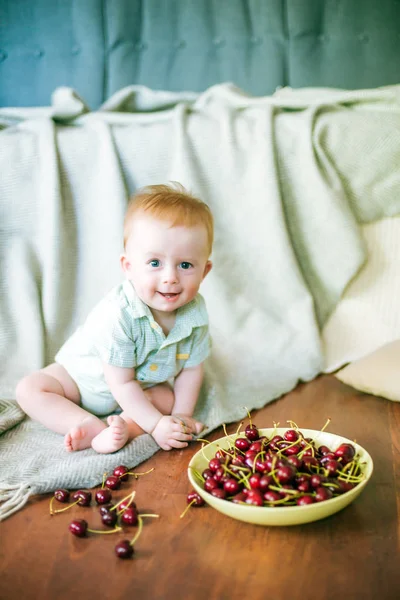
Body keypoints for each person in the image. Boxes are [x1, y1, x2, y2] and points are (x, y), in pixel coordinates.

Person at [16, 183, 213, 454]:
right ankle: (85, 424)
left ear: (205, 271)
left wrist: (180, 416)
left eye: (185, 265)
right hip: (83, 381)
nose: (170, 277)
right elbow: (121, 381)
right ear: (128, 267)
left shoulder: (195, 316)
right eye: (155, 263)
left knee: (167, 398)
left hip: (139, 392)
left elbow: (191, 370)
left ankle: (125, 428)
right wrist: (156, 425)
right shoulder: (118, 313)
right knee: (30, 389)